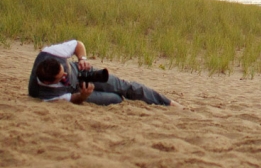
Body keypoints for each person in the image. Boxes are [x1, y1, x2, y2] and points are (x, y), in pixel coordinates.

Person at [28, 39, 178, 107]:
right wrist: (83, 95)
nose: (65, 75)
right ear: (48, 82)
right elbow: (74, 99)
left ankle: (168, 103)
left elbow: (77, 44)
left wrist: (82, 59)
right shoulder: (45, 95)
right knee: (115, 99)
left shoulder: (51, 53)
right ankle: (117, 97)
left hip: (81, 71)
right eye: (61, 77)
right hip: (77, 92)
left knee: (123, 86)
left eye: (63, 70)